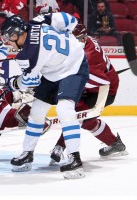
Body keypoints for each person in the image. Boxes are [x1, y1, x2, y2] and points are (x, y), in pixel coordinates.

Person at [0, 13, 89, 179]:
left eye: (10, 39)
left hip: (73, 67)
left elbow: (29, 80)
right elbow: (69, 20)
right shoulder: (36, 21)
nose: (10, 43)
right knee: (37, 112)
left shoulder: (27, 56)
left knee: (64, 109)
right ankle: (27, 153)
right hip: (52, 71)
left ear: (17, 33)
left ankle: (75, 158)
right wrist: (67, 34)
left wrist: (14, 83)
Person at [49, 24, 128, 164]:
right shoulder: (84, 42)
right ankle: (115, 144)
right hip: (93, 87)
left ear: (84, 39)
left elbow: (101, 81)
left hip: (104, 89)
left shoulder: (87, 56)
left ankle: (59, 147)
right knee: (83, 118)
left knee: (79, 116)